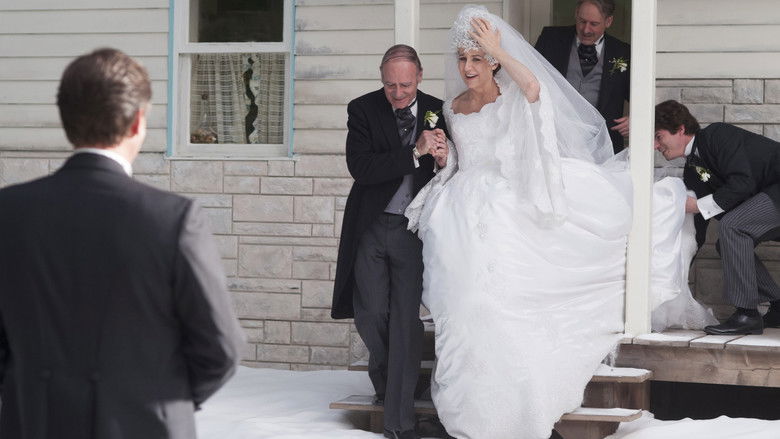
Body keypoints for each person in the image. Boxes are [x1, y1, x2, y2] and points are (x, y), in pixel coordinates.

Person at [405, 6, 631, 438]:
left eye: (478, 58)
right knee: (462, 304)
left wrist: (500, 49)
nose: (468, 67)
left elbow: (534, 89)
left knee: (499, 300)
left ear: (493, 61)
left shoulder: (511, 93)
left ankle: (514, 399)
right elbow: (461, 159)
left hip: (504, 201)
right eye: (463, 58)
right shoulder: (453, 107)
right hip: (461, 206)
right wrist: (444, 158)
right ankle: (466, 402)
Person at [0, 48, 244, 438]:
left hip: (35, 422)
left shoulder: (8, 212)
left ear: (66, 120)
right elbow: (220, 349)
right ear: (136, 122)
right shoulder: (172, 219)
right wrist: (161, 402)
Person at [331, 44, 448, 439]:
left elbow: (450, 171)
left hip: (413, 231)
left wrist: (444, 159)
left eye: (405, 85)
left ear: (420, 77)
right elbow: (361, 168)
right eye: (390, 85)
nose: (397, 93)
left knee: (404, 321)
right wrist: (414, 151)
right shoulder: (362, 109)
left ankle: (399, 423)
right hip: (370, 226)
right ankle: (392, 377)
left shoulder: (438, 110)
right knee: (370, 314)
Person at [654, 100, 780, 336]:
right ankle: (778, 305)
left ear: (680, 129)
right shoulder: (691, 172)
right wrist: (675, 274)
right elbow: (697, 231)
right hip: (772, 202)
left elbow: (742, 182)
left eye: (659, 137)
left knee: (733, 226)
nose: (655, 145)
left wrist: (698, 205)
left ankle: (747, 315)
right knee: (728, 243)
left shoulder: (717, 134)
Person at [534, 0, 631, 153]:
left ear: (608, 21)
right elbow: (529, 77)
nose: (586, 29)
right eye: (582, 21)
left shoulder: (623, 52)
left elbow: (639, 96)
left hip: (602, 146)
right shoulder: (551, 39)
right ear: (576, 15)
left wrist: (635, 119)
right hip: (553, 140)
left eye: (594, 24)